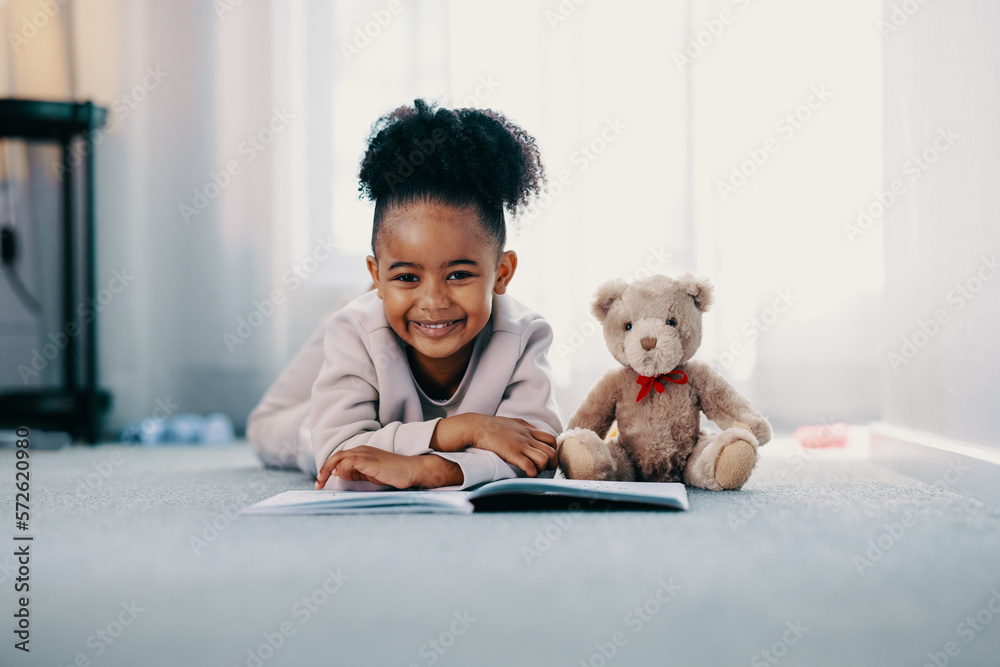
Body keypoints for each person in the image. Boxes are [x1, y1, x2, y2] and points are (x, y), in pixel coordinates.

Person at [246, 99, 563, 491]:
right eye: (409, 276)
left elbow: (538, 455)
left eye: (459, 274)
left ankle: (389, 292)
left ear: (502, 273)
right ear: (376, 274)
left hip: (381, 330)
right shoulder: (356, 330)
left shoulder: (525, 335)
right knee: (266, 423)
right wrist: (465, 430)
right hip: (314, 418)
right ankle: (368, 300)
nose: (434, 301)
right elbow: (341, 460)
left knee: (384, 315)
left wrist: (432, 470)